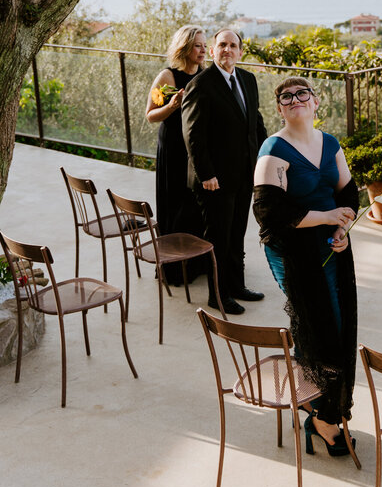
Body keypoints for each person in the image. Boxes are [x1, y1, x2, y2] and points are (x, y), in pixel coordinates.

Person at [252, 77, 360, 456]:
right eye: (287, 96)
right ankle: (321, 416)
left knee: (340, 324)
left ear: (316, 103)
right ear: (279, 108)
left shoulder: (329, 144)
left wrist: (342, 226)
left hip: (331, 246)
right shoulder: (274, 149)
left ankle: (321, 407)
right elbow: (269, 213)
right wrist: (326, 216)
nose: (295, 99)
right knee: (318, 325)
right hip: (292, 250)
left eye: (303, 94)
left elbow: (348, 194)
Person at [181, 29, 267, 315]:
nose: (227, 49)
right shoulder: (201, 84)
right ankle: (217, 296)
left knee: (237, 233)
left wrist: (265, 159)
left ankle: (237, 285)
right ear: (214, 50)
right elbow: (193, 135)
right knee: (219, 238)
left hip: (244, 174)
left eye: (233, 45)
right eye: (222, 45)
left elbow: (255, 123)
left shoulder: (248, 80)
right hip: (214, 180)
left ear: (240, 51)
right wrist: (206, 174)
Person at [145, 25, 210, 281]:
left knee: (196, 207)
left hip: (195, 150)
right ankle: (175, 269)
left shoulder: (206, 76)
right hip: (173, 149)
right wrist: (172, 105)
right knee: (176, 206)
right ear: (185, 47)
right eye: (198, 45)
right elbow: (150, 115)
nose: (203, 50)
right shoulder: (167, 77)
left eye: (205, 45)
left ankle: (199, 263)